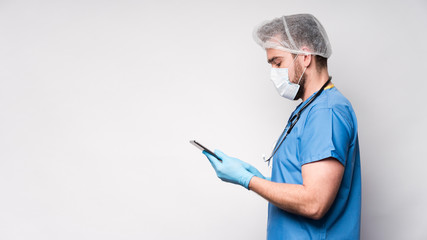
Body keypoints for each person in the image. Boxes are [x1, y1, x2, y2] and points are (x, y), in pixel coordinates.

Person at [203, 14, 361, 239]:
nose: (274, 74)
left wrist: (249, 180)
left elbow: (315, 203)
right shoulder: (310, 109)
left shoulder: (327, 113)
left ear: (305, 55)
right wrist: (265, 181)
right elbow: (303, 185)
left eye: (278, 62)